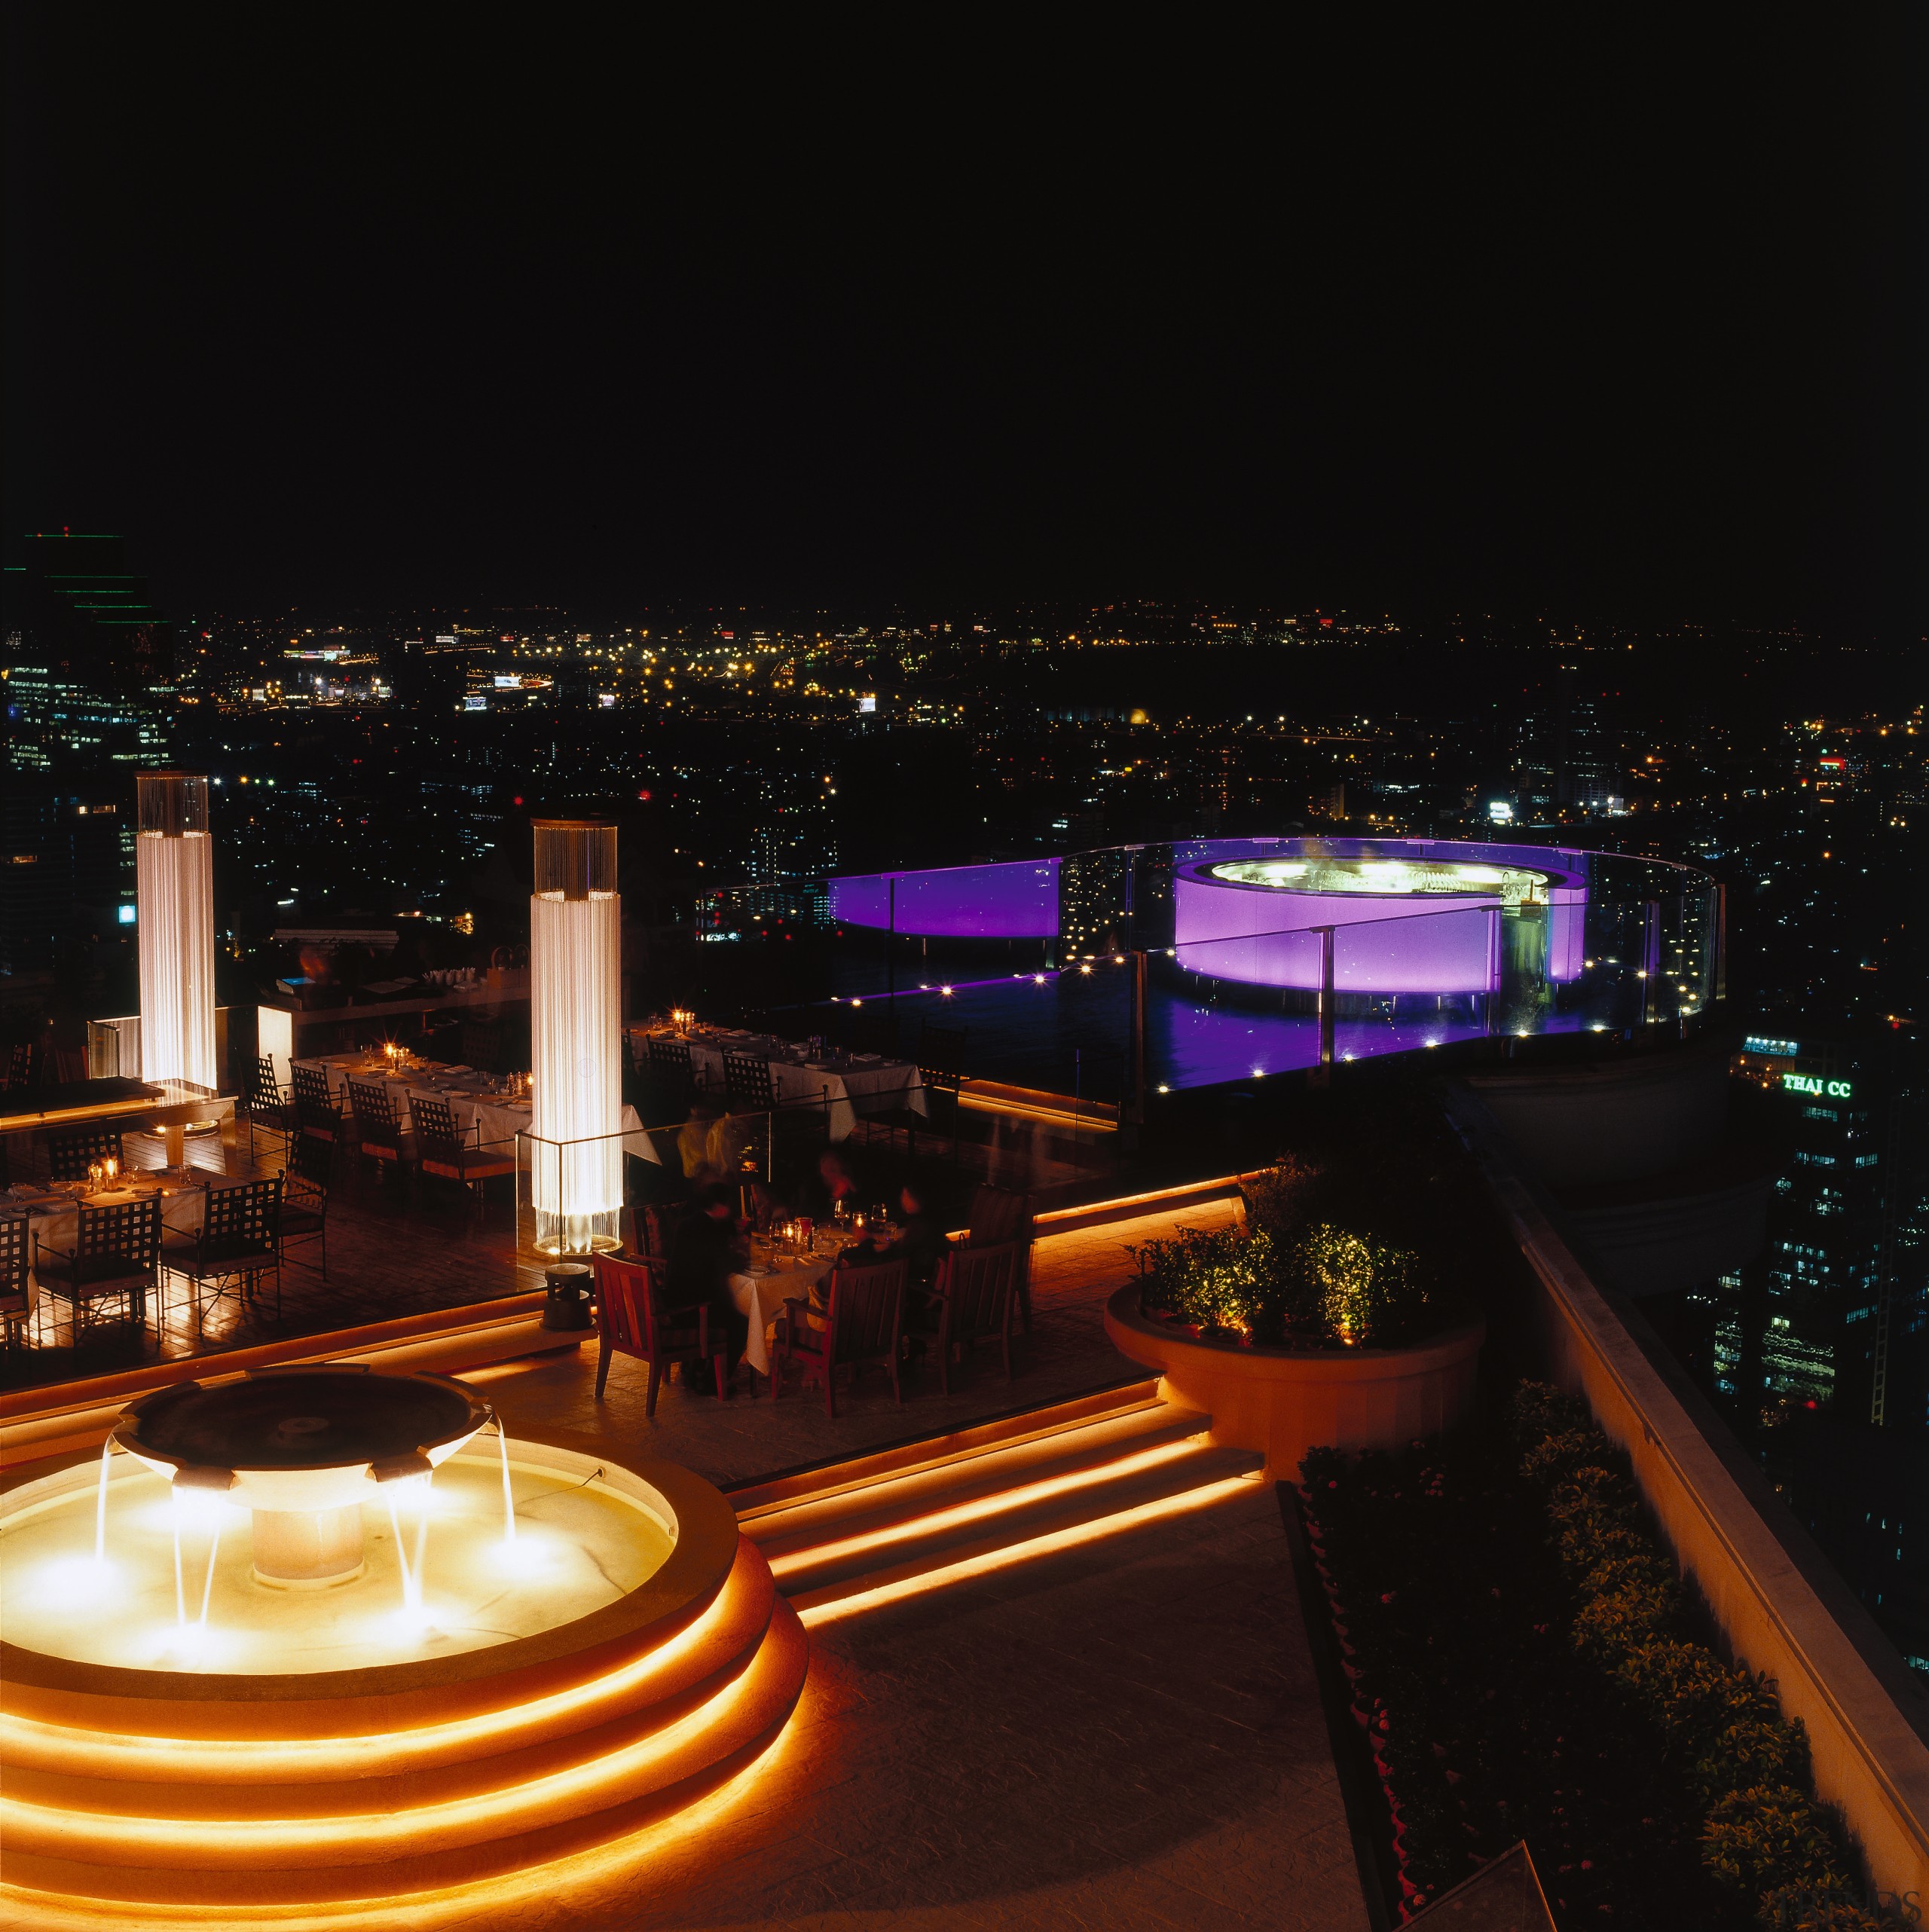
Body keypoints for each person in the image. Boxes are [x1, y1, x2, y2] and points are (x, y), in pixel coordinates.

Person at [666, 1185, 747, 1395]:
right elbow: (722, 1264)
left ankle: (694, 1367)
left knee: (731, 1305)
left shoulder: (688, 1223)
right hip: (694, 1309)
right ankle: (715, 1381)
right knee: (740, 1321)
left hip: (674, 1301)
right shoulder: (710, 1229)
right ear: (721, 1207)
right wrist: (742, 1257)